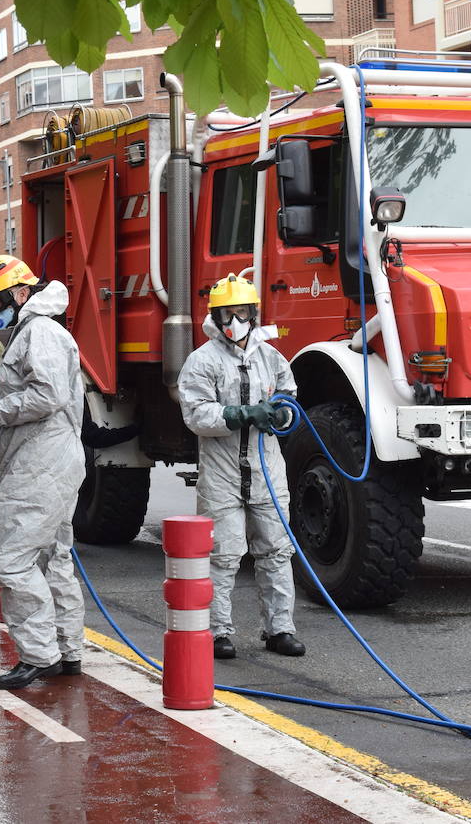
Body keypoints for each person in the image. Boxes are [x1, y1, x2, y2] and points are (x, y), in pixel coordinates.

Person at [0, 255, 86, 690]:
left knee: (11, 559)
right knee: (52, 557)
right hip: (48, 458)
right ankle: (67, 651)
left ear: (22, 293)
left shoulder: (40, 332)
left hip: (40, 467)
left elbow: (46, 395)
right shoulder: (35, 331)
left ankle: (39, 655)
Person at [178, 273, 304, 661]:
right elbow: (196, 414)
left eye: (242, 312)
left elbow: (291, 402)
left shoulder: (272, 358)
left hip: (267, 469)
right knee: (223, 554)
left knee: (277, 551)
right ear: (215, 317)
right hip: (223, 473)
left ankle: (280, 628)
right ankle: (218, 632)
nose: (235, 321)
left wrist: (279, 415)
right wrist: (238, 413)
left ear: (254, 313)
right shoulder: (202, 361)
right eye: (227, 313)